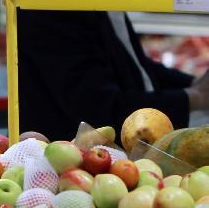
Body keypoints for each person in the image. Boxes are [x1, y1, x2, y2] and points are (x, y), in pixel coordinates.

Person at [18, 8, 209, 141]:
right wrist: (193, 97)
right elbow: (101, 109)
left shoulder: (99, 0)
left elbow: (134, 65)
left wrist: (194, 83)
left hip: (118, 157)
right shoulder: (55, 9)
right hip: (70, 163)